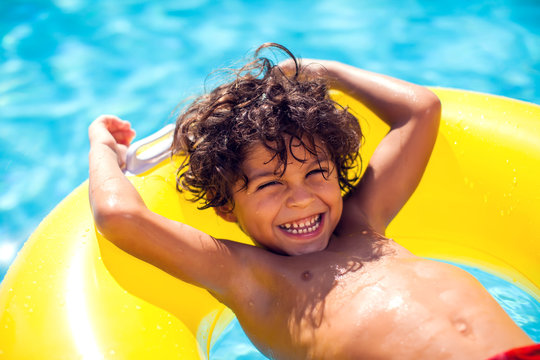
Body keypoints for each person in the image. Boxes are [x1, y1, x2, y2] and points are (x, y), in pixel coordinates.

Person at [88, 43, 536, 359]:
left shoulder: (362, 220)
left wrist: (319, 71)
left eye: (317, 173)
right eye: (269, 186)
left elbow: (420, 109)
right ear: (227, 207)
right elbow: (119, 215)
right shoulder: (249, 276)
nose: (302, 200)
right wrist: (104, 149)